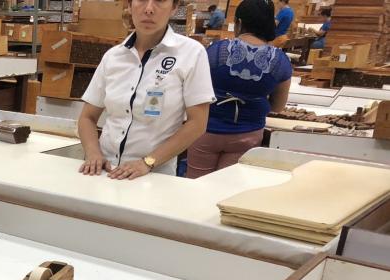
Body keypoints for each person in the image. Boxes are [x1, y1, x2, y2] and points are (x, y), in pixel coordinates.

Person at [77, 0, 215, 179]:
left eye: (159, 1)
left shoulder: (191, 54)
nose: (149, 9)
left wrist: (148, 162)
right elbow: (87, 117)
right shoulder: (113, 57)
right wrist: (93, 153)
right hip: (104, 173)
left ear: (174, 7)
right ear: (129, 4)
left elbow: (197, 123)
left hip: (154, 176)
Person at [186, 0, 292, 177]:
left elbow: (194, 91)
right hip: (248, 134)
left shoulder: (216, 51)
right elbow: (278, 106)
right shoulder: (280, 62)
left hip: (206, 130)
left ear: (239, 23)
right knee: (227, 189)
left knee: (195, 184)